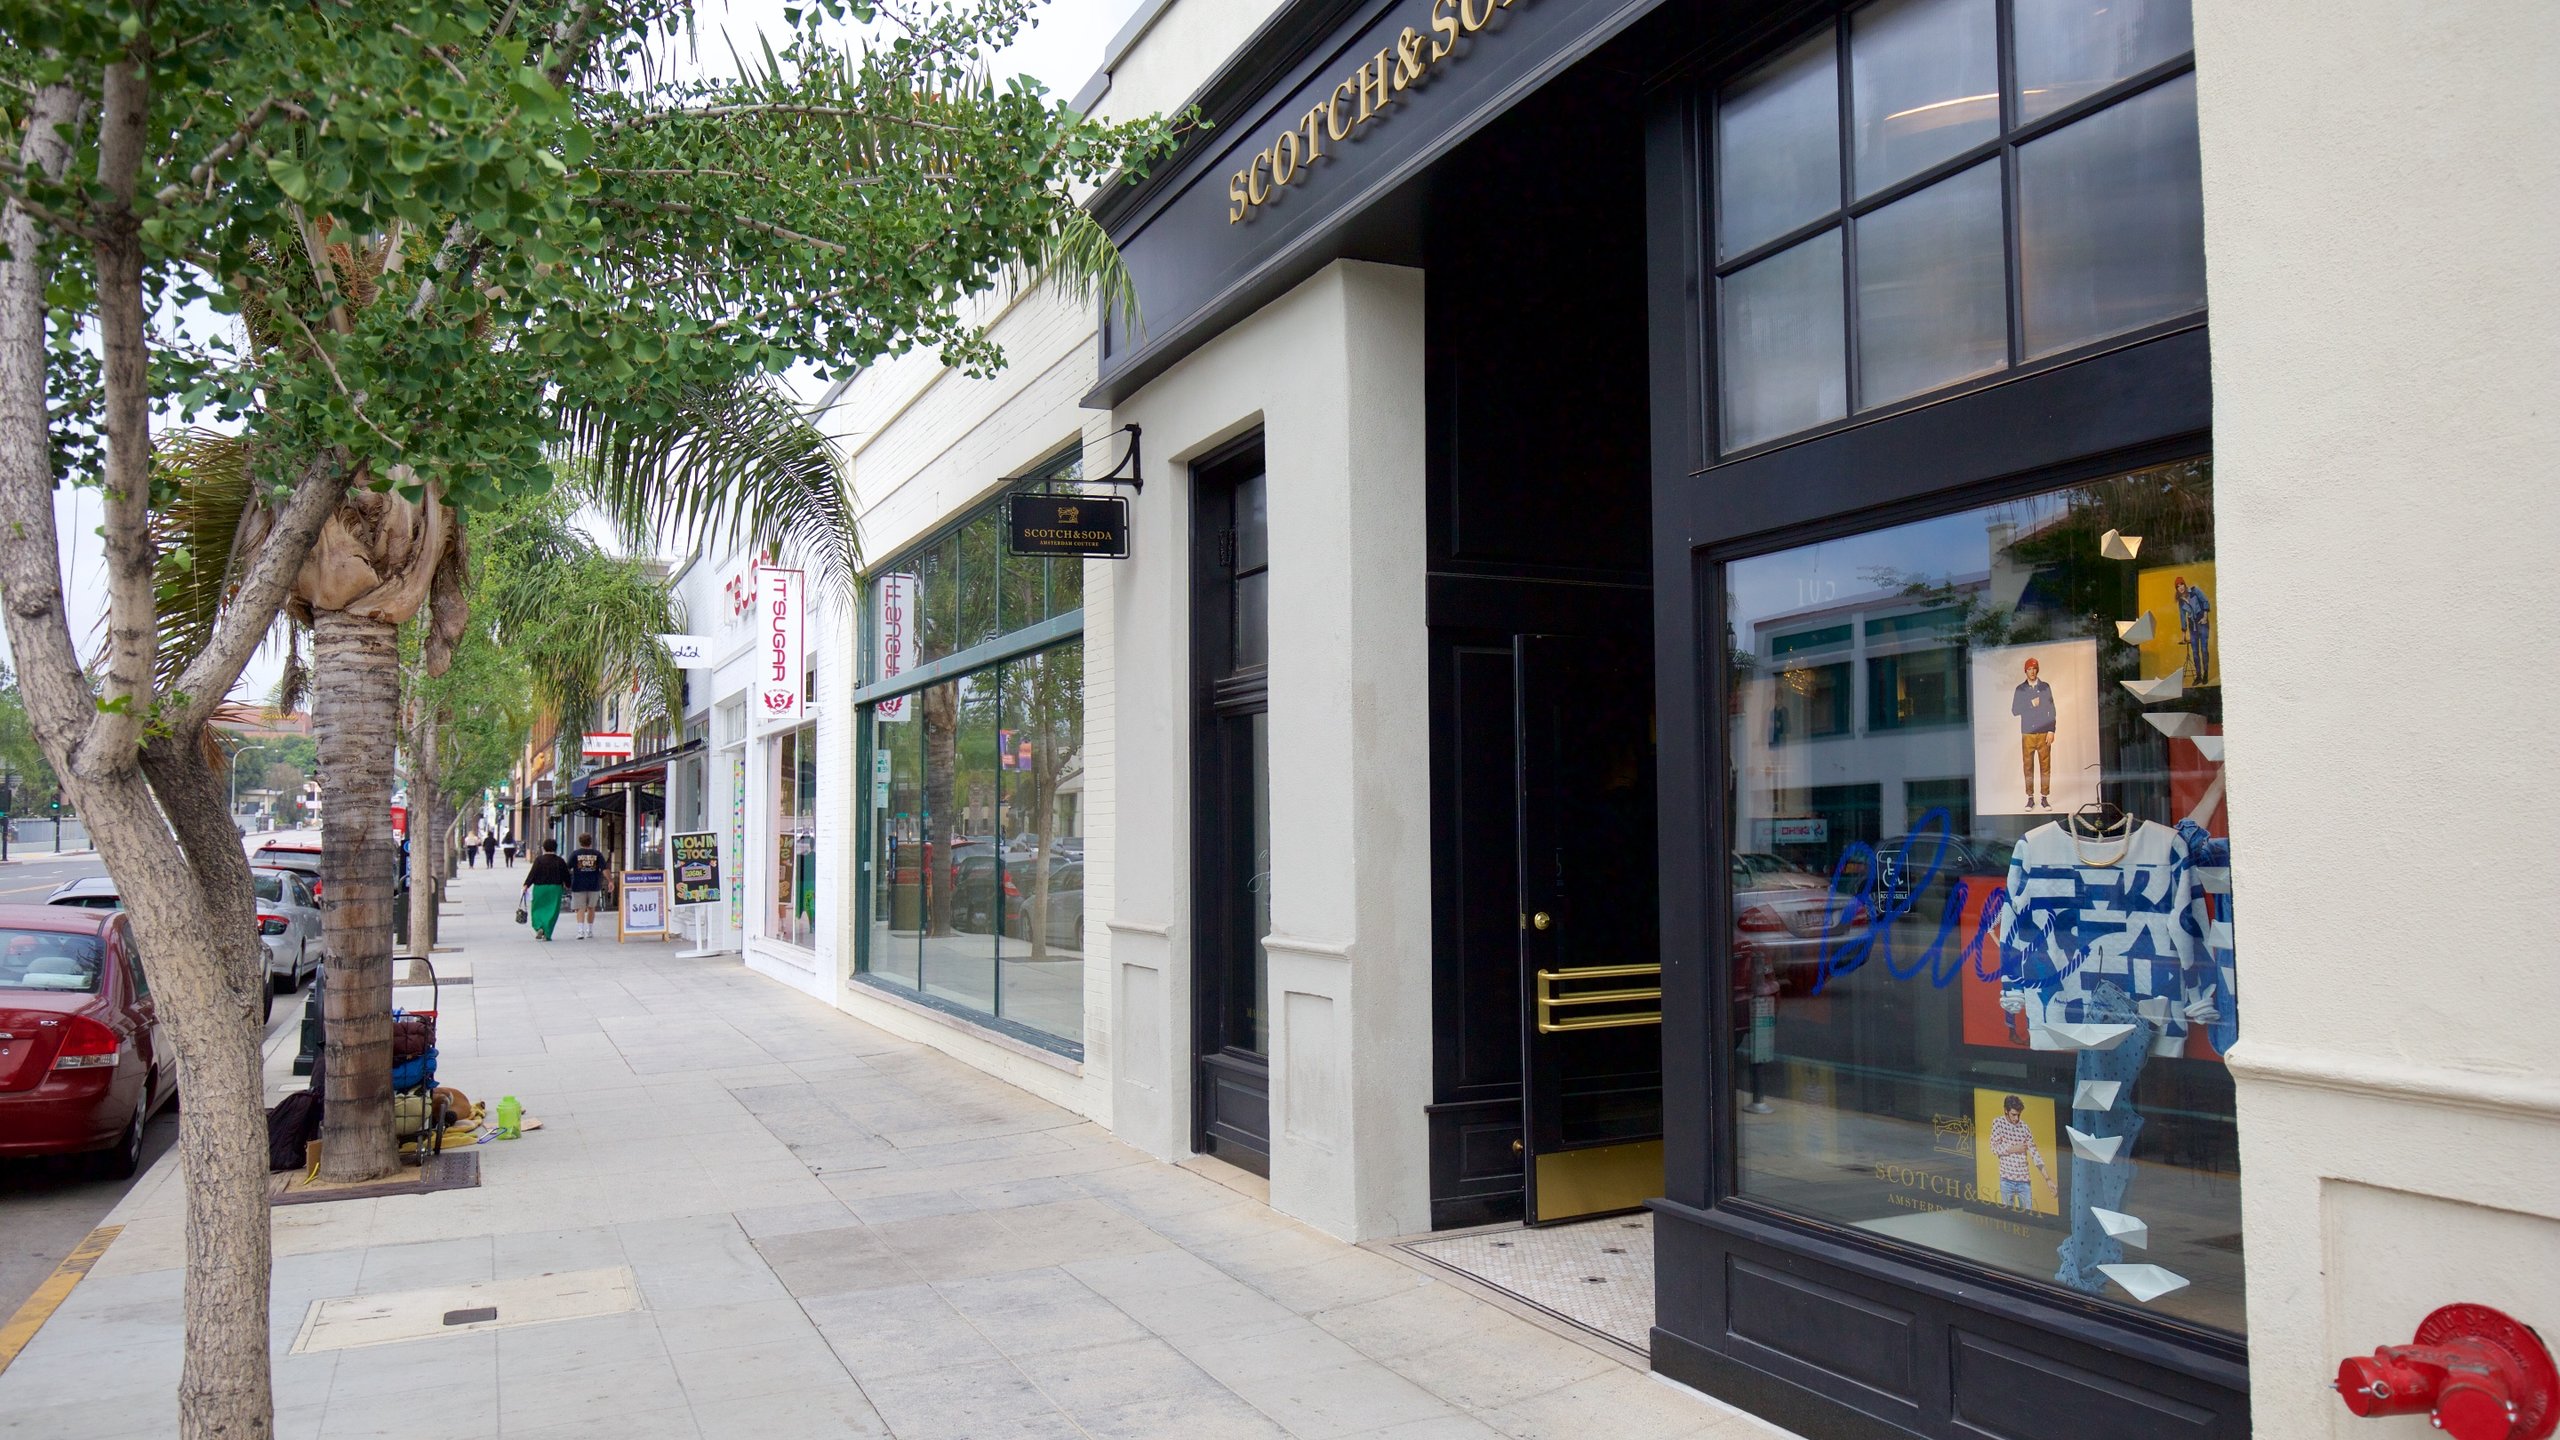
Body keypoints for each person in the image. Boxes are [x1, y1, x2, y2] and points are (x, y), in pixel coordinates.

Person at [1989, 1094, 2052, 1211]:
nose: (2016, 1118)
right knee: (2007, 1217)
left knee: (2028, 1217)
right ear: (2006, 1111)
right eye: (2013, 1114)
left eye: (2019, 1115)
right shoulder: (1998, 1123)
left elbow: (2035, 1155)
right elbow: (1993, 1147)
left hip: (2024, 1181)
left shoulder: (2025, 1128)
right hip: (2006, 1180)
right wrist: (2014, 1148)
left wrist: (2048, 1180)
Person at [2011, 657, 2056, 810]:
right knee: (2028, 766)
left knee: (2045, 766)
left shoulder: (2045, 687)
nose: (2032, 671)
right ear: (2025, 670)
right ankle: (2030, 798)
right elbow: (2015, 710)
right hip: (2028, 733)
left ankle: (2044, 798)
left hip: (2044, 733)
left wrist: (2051, 730)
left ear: (2037, 670)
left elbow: (2052, 709)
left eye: (2034, 668)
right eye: (2029, 669)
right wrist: (2030, 704)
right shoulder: (2020, 689)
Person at [521, 841, 572, 942]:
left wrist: (526, 884)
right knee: (552, 910)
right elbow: (566, 874)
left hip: (540, 888)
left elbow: (533, 873)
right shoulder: (560, 860)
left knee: (537, 908)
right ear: (556, 848)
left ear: (544, 848)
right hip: (555, 888)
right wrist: (568, 884)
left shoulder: (539, 860)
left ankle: (538, 926)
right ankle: (547, 933)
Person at [567, 832, 610, 939]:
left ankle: (580, 931)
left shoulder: (575, 854)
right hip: (594, 884)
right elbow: (604, 869)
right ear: (591, 842)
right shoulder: (597, 854)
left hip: (578, 884)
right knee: (591, 908)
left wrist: (566, 881)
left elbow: (567, 868)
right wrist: (610, 881)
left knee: (580, 908)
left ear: (580, 842)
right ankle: (590, 930)